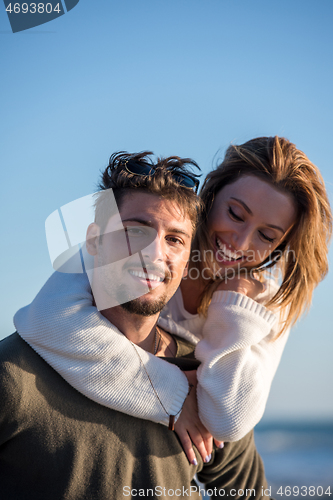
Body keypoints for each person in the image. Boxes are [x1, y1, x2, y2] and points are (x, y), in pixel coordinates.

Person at [15, 137, 332, 465]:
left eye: (266, 236)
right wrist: (175, 395)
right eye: (236, 214)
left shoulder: (264, 305)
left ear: (281, 246)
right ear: (212, 194)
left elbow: (230, 421)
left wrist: (234, 307)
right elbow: (49, 317)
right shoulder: (151, 236)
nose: (240, 241)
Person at [0, 155, 271, 499]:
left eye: (175, 239)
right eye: (135, 231)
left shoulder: (207, 381)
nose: (154, 253)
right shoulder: (13, 375)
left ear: (188, 257)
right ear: (94, 242)